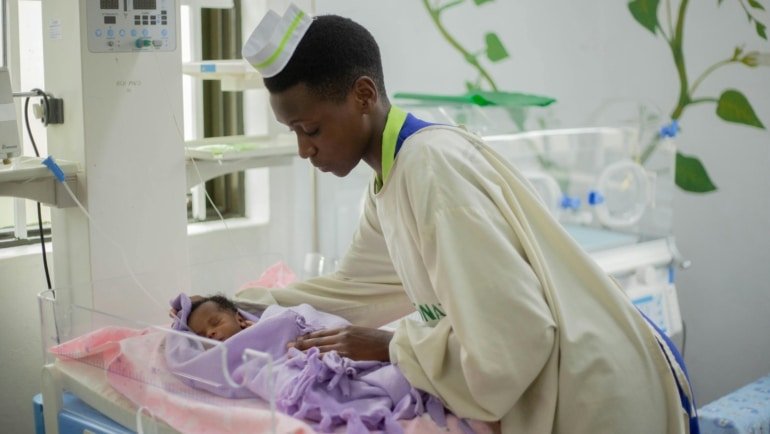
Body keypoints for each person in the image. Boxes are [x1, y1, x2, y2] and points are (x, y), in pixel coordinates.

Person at [234, 4, 699, 434]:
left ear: (363, 95)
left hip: (598, 394)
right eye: (293, 132)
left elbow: (513, 342)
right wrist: (241, 309)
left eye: (310, 129)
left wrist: (391, 345)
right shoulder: (388, 183)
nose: (303, 149)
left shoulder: (430, 168)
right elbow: (352, 292)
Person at [185, 294, 254, 341]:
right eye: (202, 336)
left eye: (216, 323)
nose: (209, 333)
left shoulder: (256, 331)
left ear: (240, 319)